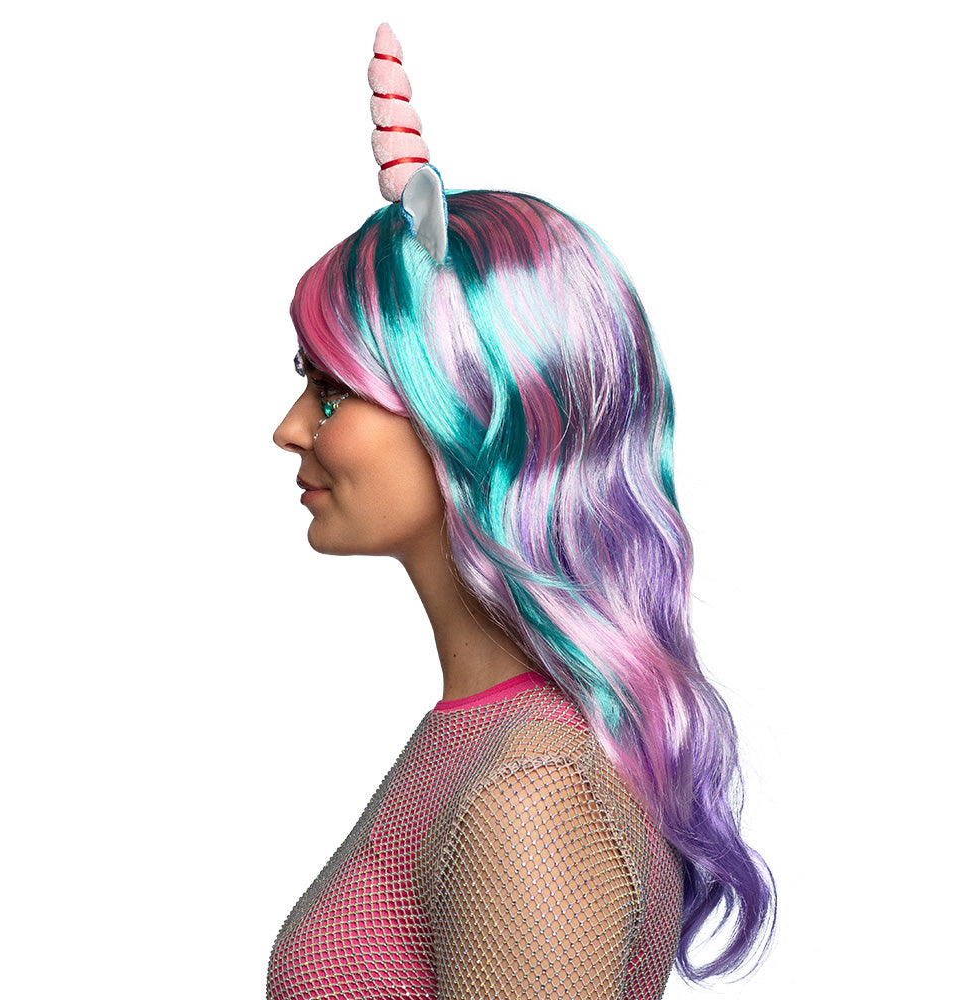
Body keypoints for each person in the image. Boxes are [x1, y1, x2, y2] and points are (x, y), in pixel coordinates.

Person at [268, 23, 775, 1000]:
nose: (290, 428)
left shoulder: (531, 792)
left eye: (331, 390)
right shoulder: (484, 750)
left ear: (468, 411)